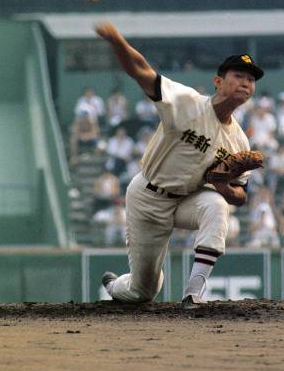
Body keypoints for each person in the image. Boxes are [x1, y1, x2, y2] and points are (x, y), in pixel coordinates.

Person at [95, 22, 264, 308]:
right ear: (218, 81)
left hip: (188, 199)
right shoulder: (187, 103)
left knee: (216, 205)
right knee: (142, 292)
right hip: (148, 197)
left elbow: (240, 196)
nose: (246, 82)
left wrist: (223, 187)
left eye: (251, 79)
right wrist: (116, 40)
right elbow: (141, 70)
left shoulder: (239, 141)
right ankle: (115, 285)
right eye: (238, 75)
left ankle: (193, 294)